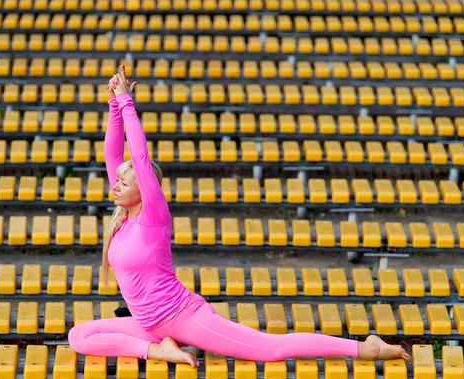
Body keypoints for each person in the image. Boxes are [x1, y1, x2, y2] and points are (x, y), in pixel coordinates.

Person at [67, 66, 411, 367]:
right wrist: (114, 103)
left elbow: (139, 158)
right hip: (148, 326)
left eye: (126, 180)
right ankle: (157, 351)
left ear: (143, 188)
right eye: (119, 179)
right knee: (80, 336)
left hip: (184, 318)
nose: (117, 183)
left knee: (269, 349)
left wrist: (128, 103)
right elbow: (113, 152)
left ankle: (364, 347)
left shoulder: (152, 216)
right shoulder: (124, 212)